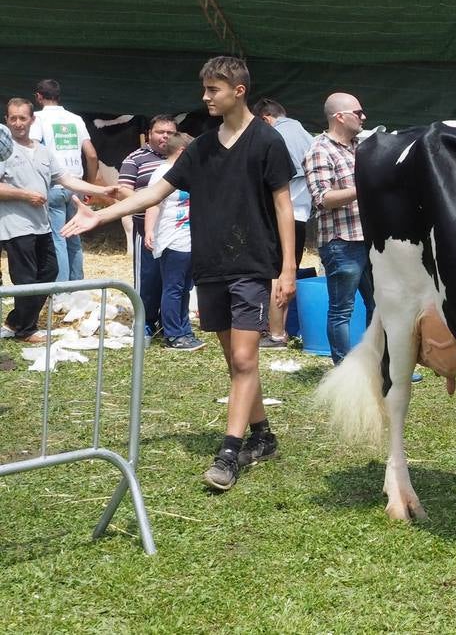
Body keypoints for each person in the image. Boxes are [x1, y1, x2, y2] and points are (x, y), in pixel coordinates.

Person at [64, 56, 296, 491]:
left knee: (244, 360)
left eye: (213, 89)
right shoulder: (202, 147)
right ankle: (263, 436)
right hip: (210, 266)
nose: (205, 97)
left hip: (251, 265)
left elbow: (284, 206)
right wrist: (102, 215)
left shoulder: (267, 140)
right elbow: (155, 192)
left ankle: (229, 453)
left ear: (238, 91)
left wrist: (287, 270)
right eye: (205, 88)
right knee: (235, 362)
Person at [0, 99, 111, 342]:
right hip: (16, 226)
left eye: (23, 118)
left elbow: (66, 179)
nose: (18, 123)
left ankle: (15, 321)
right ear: (6, 121)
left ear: (33, 120)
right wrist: (25, 195)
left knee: (50, 271)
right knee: (25, 279)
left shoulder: (42, 150)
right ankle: (26, 330)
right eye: (13, 118)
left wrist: (101, 190)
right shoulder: (3, 151)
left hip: (42, 224)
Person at [303, 93, 374, 366]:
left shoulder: (360, 147)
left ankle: (378, 365)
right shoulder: (319, 150)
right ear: (340, 117)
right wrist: (364, 188)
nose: (363, 117)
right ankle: (344, 370)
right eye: (358, 112)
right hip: (341, 243)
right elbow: (322, 198)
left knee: (379, 306)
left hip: (368, 239)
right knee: (342, 311)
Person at [255, 98, 315, 349]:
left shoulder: (275, 136)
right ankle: (278, 331)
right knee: (286, 273)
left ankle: (276, 334)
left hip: (281, 216)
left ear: (265, 119)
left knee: (275, 275)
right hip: (301, 215)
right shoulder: (307, 135)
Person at [118, 115, 180, 341]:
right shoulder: (135, 158)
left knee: (173, 278)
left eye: (170, 133)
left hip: (176, 227)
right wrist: (148, 200)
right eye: (160, 132)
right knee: (148, 277)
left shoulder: (182, 158)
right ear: (149, 134)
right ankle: (144, 322)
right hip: (145, 225)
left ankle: (169, 323)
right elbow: (123, 189)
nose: (165, 136)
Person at [32, 78, 99, 283]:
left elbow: (32, 151)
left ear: (38, 97)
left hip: (53, 184)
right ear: (58, 96)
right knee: (74, 237)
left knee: (58, 238)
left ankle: (61, 289)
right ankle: (77, 284)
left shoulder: (37, 119)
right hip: (75, 184)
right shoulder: (75, 119)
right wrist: (90, 186)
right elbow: (92, 155)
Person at [143, 133, 204, 352]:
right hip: (172, 240)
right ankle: (172, 334)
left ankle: (184, 330)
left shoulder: (190, 171)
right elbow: (153, 202)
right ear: (182, 152)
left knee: (185, 288)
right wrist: (149, 230)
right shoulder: (162, 173)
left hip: (190, 240)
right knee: (174, 288)